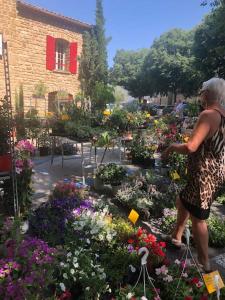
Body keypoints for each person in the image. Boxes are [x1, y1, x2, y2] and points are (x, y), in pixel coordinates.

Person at [162, 77, 225, 273]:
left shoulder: (208, 114)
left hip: (204, 175)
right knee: (183, 201)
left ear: (207, 94)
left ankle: (204, 262)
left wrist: (172, 147)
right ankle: (176, 237)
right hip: (216, 171)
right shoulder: (222, 114)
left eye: (201, 91)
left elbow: (191, 147)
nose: (200, 94)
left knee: (199, 217)